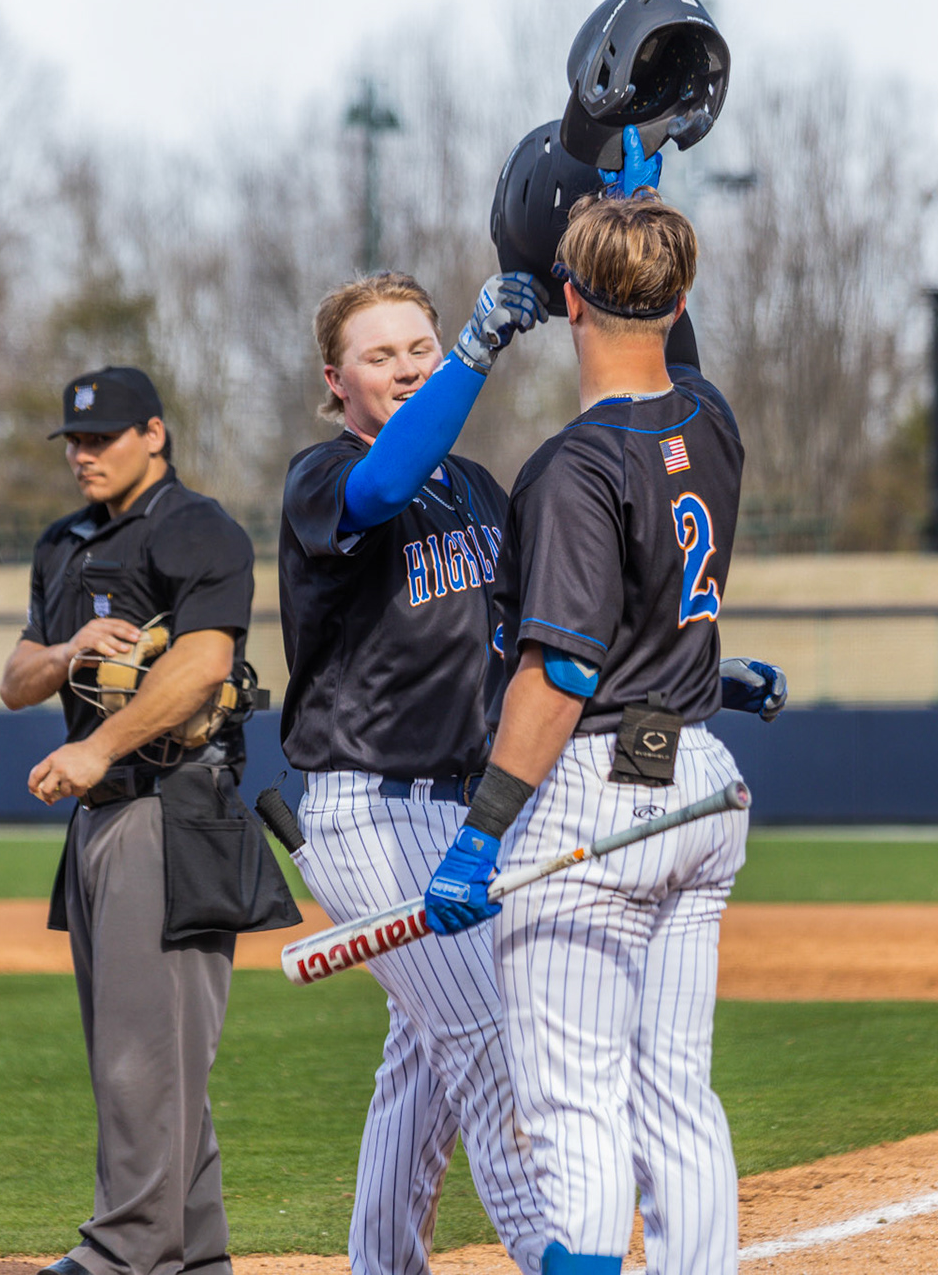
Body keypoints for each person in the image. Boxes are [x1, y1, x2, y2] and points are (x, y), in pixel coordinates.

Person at [423, 192, 752, 1275]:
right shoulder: (710, 419)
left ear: (567, 301)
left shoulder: (572, 465)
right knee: (675, 1092)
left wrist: (482, 832)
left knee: (574, 1108)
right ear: (683, 300)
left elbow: (560, 668)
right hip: (697, 775)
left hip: (592, 797)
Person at [278, 268, 551, 1275]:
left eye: (419, 348)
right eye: (378, 354)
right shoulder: (324, 476)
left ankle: (379, 1263)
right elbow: (384, 485)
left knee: (425, 1067)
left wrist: (690, 677)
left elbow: (535, 635)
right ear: (335, 380)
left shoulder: (477, 489)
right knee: (490, 1044)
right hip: (373, 811)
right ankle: (558, 1255)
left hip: (466, 810)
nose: (403, 365)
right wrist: (479, 347)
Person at [0, 366, 262, 1275]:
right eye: (73, 440)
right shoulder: (61, 542)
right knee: (145, 1049)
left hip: (174, 806)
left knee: (141, 1060)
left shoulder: (198, 528)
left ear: (154, 433)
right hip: (102, 823)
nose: (82, 454)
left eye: (101, 437)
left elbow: (200, 665)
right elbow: (15, 677)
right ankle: (195, 1256)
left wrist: (97, 748)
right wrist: (68, 648)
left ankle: (125, 1252)